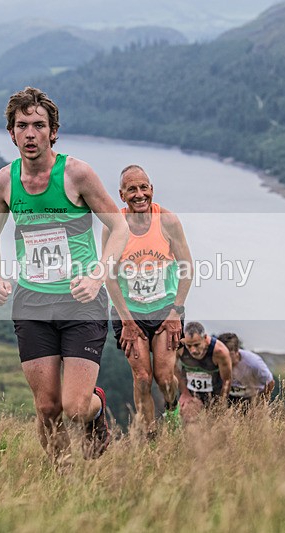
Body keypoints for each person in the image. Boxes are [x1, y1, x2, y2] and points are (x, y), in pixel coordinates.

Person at [0, 86, 129, 465]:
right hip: (31, 300)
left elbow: (119, 227)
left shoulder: (77, 174)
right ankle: (62, 478)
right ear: (11, 133)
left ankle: (98, 413)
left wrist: (97, 275)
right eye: (22, 126)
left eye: (38, 125)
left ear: (53, 131)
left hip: (82, 299)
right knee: (47, 408)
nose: (30, 133)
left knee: (75, 407)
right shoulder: (4, 182)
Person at [103, 165, 193, 436]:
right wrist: (127, 321)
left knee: (165, 377)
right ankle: (150, 435)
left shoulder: (168, 221)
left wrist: (177, 311)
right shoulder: (114, 226)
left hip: (166, 310)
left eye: (144, 187)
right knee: (142, 378)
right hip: (129, 312)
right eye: (132, 189)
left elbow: (187, 267)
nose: (139, 194)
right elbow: (109, 276)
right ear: (122, 195)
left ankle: (172, 410)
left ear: (152, 190)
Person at [177, 321, 233, 422]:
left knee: (214, 427)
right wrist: (184, 393)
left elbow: (227, 380)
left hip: (215, 392)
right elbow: (172, 368)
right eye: (189, 346)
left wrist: (221, 404)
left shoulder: (220, 352)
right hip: (191, 391)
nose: (193, 350)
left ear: (205, 338)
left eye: (197, 345)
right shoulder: (178, 348)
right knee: (190, 423)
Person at [217, 332, 275, 406]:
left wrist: (261, 401)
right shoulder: (216, 359)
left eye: (228, 354)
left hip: (251, 397)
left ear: (236, 351)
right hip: (230, 395)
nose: (223, 357)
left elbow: (270, 382)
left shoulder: (254, 363)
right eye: (221, 354)